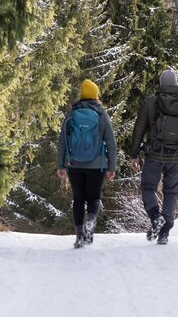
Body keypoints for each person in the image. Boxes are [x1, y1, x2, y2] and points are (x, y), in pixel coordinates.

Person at [130, 69, 178, 245]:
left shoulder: (150, 102)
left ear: (160, 84)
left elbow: (138, 130)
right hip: (176, 156)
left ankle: (155, 217)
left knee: (148, 188)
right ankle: (165, 232)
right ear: (176, 84)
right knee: (171, 191)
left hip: (154, 154)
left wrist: (134, 154)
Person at [57, 79, 116, 248]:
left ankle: (79, 236)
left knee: (78, 198)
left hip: (74, 163)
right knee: (94, 197)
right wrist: (111, 167)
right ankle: (91, 220)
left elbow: (62, 141)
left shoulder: (72, 113)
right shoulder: (101, 114)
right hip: (96, 164)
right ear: (96, 95)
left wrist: (60, 165)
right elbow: (111, 143)